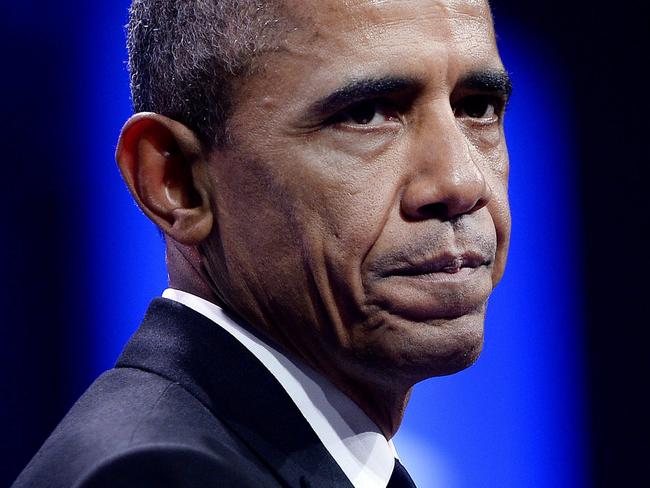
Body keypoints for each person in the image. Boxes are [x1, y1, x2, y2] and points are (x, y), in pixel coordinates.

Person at [13, 0, 512, 486]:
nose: (461, 183)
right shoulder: (162, 475)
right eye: (365, 114)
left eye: (478, 106)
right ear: (177, 182)